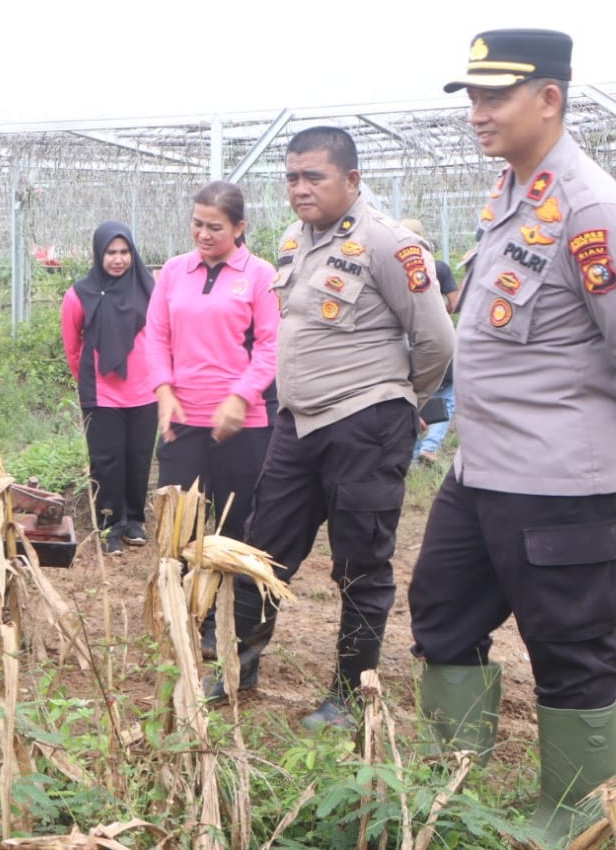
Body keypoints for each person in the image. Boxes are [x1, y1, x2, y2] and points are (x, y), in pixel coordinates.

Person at [409, 30, 616, 843]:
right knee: (442, 610)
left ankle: (580, 815)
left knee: (569, 647)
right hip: (482, 467)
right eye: (472, 98)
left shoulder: (590, 211)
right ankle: (454, 793)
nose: (478, 113)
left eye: (495, 97)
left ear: (549, 99)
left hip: (557, 478)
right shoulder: (515, 194)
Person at [215, 126, 454, 729]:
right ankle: (236, 669)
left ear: (351, 179)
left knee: (361, 564)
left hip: (364, 424)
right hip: (299, 425)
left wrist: (401, 405)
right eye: (292, 177)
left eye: (313, 176)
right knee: (262, 549)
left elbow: (435, 342)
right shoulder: (298, 239)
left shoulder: (389, 245)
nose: (300, 188)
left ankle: (349, 698)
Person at [145, 181, 279, 650]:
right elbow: (155, 336)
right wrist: (163, 389)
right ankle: (180, 611)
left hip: (241, 424)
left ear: (239, 228)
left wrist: (242, 396)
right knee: (179, 523)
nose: (203, 234)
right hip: (182, 419)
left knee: (232, 525)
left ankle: (219, 625)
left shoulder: (260, 276)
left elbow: (270, 346)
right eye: (197, 224)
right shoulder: (174, 273)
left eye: (215, 227)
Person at [62, 221, 155, 556]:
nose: (118, 259)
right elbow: (73, 346)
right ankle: (109, 525)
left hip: (146, 391)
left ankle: (133, 521)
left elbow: (161, 336)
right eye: (110, 252)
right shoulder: (80, 293)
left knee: (139, 457)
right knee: (107, 460)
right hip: (102, 392)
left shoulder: (149, 289)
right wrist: (87, 382)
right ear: (98, 254)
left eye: (124, 252)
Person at [399, 217, 458, 466]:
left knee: (407, 396)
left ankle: (410, 456)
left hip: (403, 341)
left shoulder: (390, 266)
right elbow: (455, 303)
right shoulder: (439, 267)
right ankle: (430, 446)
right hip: (435, 338)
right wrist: (438, 314)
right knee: (446, 393)